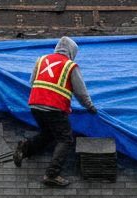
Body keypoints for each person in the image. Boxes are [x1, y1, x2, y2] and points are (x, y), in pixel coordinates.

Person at [13, 36, 97, 187]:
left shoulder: (41, 60)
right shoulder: (70, 66)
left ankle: (27, 148)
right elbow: (81, 92)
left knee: (49, 133)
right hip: (54, 108)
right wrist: (90, 107)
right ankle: (52, 174)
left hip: (34, 106)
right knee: (65, 139)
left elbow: (33, 82)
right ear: (72, 51)